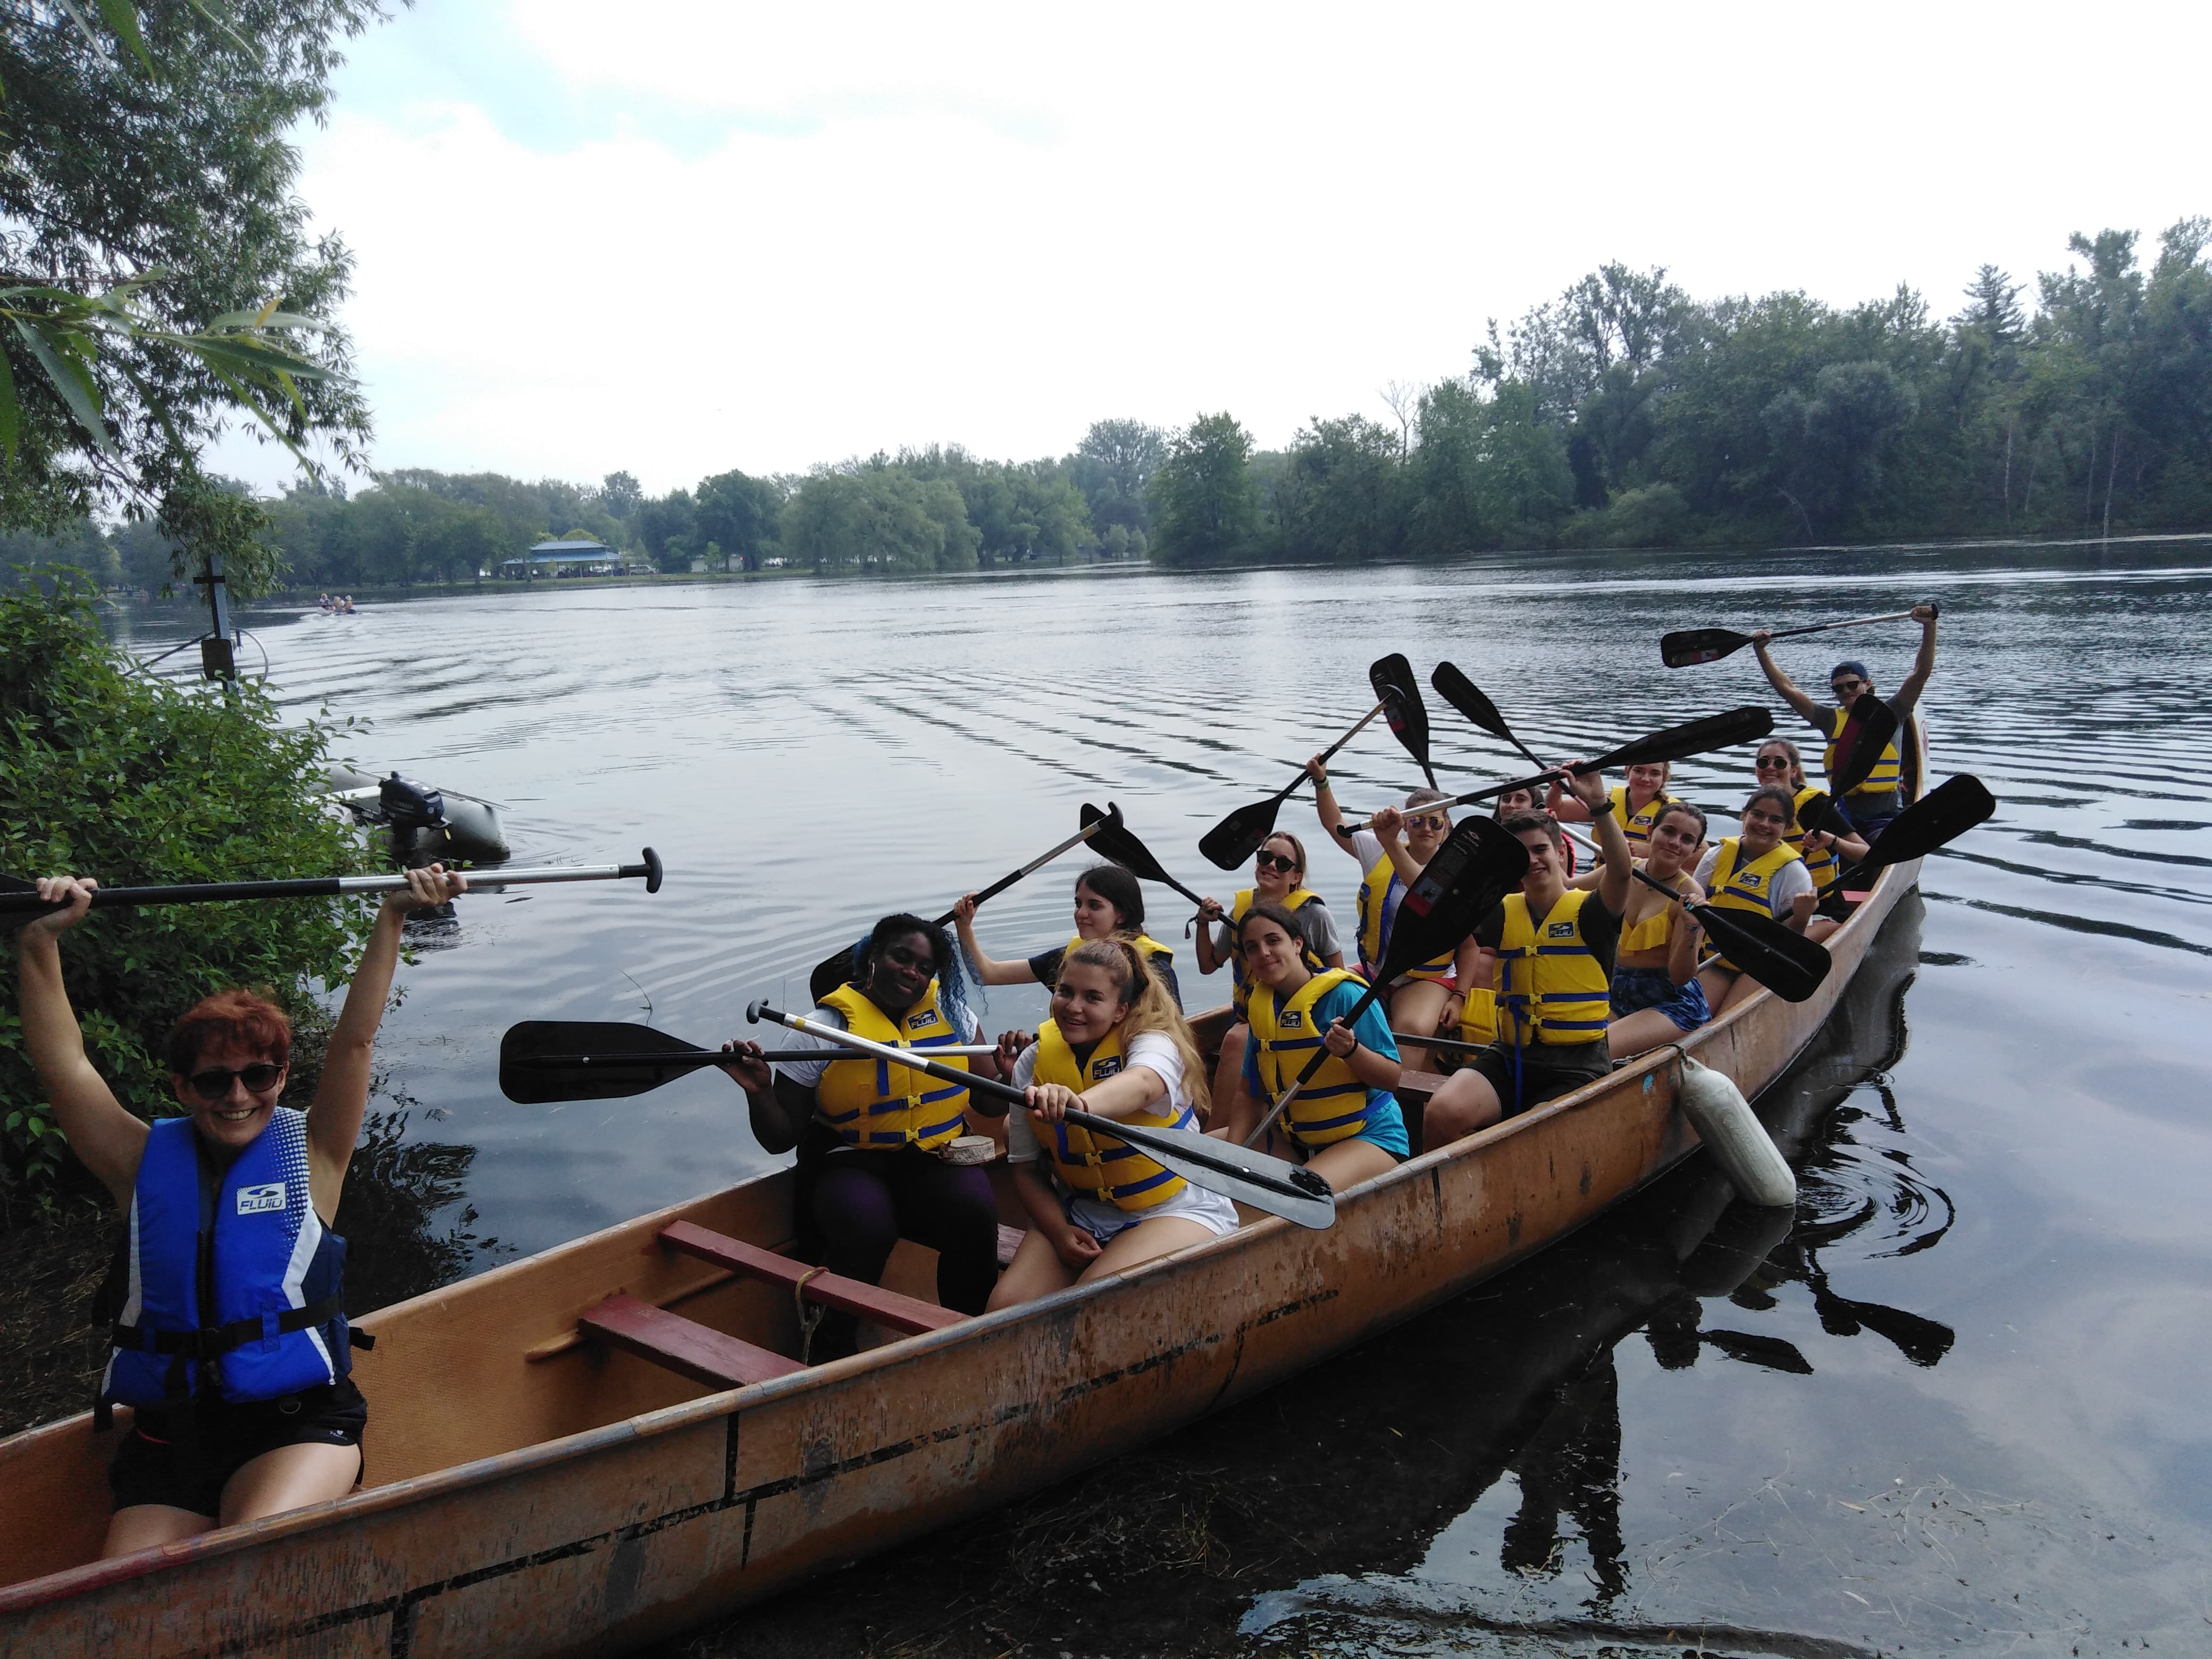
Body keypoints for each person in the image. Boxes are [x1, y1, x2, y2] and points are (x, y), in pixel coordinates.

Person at [15, 864, 464, 1558]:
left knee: (243, 1553)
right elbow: (64, 1067)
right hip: (173, 1438)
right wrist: (40, 941)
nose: (237, 1096)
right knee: (124, 1601)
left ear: (281, 1077)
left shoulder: (312, 1151)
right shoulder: (139, 1163)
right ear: (181, 1086)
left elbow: (354, 1042)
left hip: (297, 1425)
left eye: (258, 1076)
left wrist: (392, 917)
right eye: (214, 1080)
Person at [716, 914, 1008, 1359]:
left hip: (935, 1155)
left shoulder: (954, 1016)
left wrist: (1006, 1073)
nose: (912, 972)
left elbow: (991, 1107)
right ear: (872, 958)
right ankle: (830, 1347)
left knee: (976, 1210)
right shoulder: (819, 1030)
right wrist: (758, 1091)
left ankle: (970, 1331)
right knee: (866, 1225)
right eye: (901, 957)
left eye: (925, 968)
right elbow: (781, 1138)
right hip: (852, 1159)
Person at [986, 940, 1238, 1310]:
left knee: (1092, 1299)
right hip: (1081, 1210)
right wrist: (1058, 1233)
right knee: (1004, 1310)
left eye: (1093, 998)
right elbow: (1025, 1171)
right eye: (1065, 992)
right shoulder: (1032, 1062)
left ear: (1121, 1009)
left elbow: (1143, 1083)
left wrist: (1079, 1104)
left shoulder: (1154, 1042)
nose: (1074, 1007)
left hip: (1173, 1206)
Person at [1423, 765, 1633, 1145]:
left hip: (1577, 1064)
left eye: (1541, 850)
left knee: (1533, 1133)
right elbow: (1436, 903)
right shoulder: (1503, 910)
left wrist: (1599, 804)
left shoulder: (1593, 912)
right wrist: (1393, 842)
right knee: (1441, 1111)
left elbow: (1620, 872)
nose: (1534, 860)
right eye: (1522, 854)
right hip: (1511, 1055)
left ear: (1558, 851)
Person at [1228, 902, 1407, 1192]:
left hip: (1369, 1137)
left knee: (1294, 1195)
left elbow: (1392, 1078)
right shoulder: (1264, 1008)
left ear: (1298, 944)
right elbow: (1248, 1094)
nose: (1263, 953)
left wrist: (1352, 1051)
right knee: (1208, 1156)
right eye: (1252, 947)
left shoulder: (1347, 995)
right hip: (1295, 1140)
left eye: (1273, 940)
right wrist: (1232, 1156)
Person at [1311, 760, 1457, 1075]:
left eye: (1435, 823)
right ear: (1405, 824)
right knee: (1321, 998)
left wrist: (1459, 996)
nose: (1427, 829)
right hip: (1375, 969)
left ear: (1446, 829)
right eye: (1418, 821)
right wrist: (1322, 782)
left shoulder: (1457, 870)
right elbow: (1335, 825)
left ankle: (1394, 1102)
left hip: (1426, 977)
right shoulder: (1379, 850)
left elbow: (1426, 894)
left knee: (1411, 1027)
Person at [1191, 831, 1343, 1134]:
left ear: (1296, 876)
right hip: (1252, 1014)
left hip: (1303, 1017)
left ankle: (1215, 1132)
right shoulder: (1241, 911)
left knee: (1235, 1040)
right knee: (1224, 1037)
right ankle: (1218, 1129)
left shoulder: (1315, 915)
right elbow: (1209, 965)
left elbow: (1338, 976)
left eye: (1283, 863)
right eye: (1265, 857)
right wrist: (1204, 924)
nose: (1272, 865)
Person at [1750, 604, 1938, 837]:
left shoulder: (1893, 711)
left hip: (1885, 816)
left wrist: (1930, 626)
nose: (1847, 691)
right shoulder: (1829, 719)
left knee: (1878, 844)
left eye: (1853, 685)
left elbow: (1920, 673)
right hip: (1846, 819)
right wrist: (1761, 652)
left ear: (1867, 684)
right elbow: (1787, 690)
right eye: (1839, 688)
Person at [952, 864, 1182, 1010]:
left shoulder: (1154, 968)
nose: (1081, 914)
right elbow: (986, 975)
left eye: (1095, 906)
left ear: (1121, 914)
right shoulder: (1071, 958)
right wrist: (965, 928)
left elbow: (1174, 1036)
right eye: (1078, 903)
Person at [1584, 799, 1713, 1057]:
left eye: (1687, 839)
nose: (1675, 842)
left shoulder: (1690, 894)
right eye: (1668, 831)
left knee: (1596, 1050)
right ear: (1650, 832)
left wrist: (1691, 929)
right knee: (1564, 1040)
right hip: (1616, 989)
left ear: (1695, 849)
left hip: (1669, 1002)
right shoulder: (1623, 870)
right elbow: (1565, 887)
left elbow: (1680, 977)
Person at [1693, 786, 1822, 1017]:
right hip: (1713, 960)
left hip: (1760, 969)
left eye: (1775, 820)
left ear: (1788, 827)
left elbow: (1790, 950)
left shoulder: (1794, 874)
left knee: (1719, 1020)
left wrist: (1801, 918)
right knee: (1694, 1014)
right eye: (1758, 815)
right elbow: (1690, 913)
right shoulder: (1717, 855)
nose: (1764, 824)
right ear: (1744, 814)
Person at [1754, 738, 1868, 914]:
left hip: (1821, 906)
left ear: (1793, 771)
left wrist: (1833, 841)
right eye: (1763, 762)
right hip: (1769, 904)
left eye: (1779, 763)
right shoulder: (1757, 807)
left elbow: (1866, 854)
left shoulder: (1815, 805)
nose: (1770, 768)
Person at [1547, 760, 1675, 852]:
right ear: (1627, 772)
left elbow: (1694, 859)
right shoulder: (1603, 801)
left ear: (1664, 779)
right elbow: (1556, 811)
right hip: (1604, 880)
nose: (1646, 779)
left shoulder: (1674, 812)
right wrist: (1557, 788)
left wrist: (1649, 851)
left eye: (1655, 774)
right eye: (1638, 771)